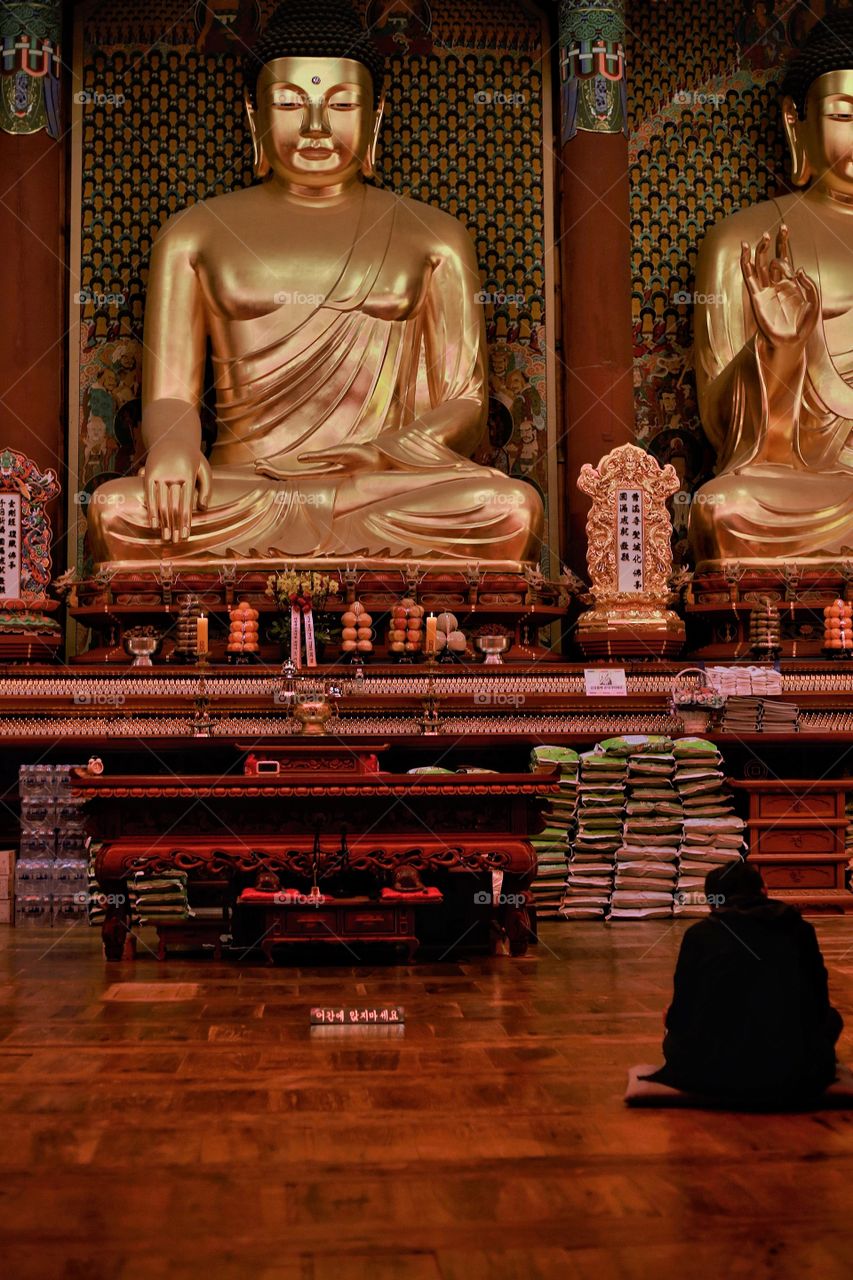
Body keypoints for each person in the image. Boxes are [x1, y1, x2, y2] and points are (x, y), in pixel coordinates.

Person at [651, 862, 843, 1106]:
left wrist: (672, 1019)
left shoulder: (699, 935)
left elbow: (682, 1013)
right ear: (764, 890)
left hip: (712, 1072)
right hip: (793, 1071)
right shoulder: (800, 929)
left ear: (712, 901)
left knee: (673, 1030)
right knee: (834, 1019)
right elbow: (819, 1004)